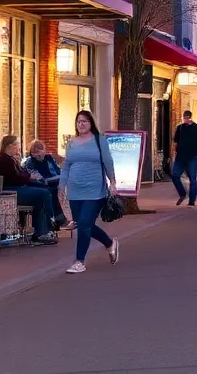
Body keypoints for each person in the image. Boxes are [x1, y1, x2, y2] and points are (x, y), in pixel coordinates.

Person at [59, 110, 119, 274]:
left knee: (85, 223)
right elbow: (66, 166)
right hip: (75, 190)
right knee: (85, 224)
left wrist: (112, 182)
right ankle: (109, 243)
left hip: (95, 190)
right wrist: (61, 186)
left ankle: (79, 261)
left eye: (85, 121)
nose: (82, 124)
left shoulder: (100, 141)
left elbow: (108, 162)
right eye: (79, 122)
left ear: (91, 123)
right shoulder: (72, 143)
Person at [0, 136, 57, 245]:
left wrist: (32, 178)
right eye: (17, 144)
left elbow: (21, 174)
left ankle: (40, 233)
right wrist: (30, 177)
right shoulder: (4, 160)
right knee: (44, 193)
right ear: (10, 146)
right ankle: (52, 220)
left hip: (17, 189)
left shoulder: (11, 158)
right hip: (10, 191)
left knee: (40, 198)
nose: (19, 147)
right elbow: (14, 178)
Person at [24, 140, 70, 229]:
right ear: (32, 153)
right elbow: (36, 178)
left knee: (57, 189)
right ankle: (58, 221)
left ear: (44, 151)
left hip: (52, 182)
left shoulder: (49, 158)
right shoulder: (30, 162)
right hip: (39, 184)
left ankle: (57, 221)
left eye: (40, 153)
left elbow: (57, 171)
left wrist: (58, 178)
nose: (38, 156)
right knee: (53, 192)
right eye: (35, 154)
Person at [172, 110, 197, 207]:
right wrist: (175, 151)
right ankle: (182, 194)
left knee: (192, 178)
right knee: (175, 175)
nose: (185, 120)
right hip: (180, 156)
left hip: (193, 156)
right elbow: (175, 141)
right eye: (184, 118)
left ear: (190, 118)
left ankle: (192, 201)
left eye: (186, 118)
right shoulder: (180, 128)